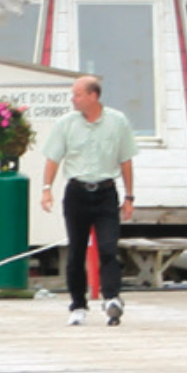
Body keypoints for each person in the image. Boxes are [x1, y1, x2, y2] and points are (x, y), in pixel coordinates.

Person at [40, 75, 138, 326]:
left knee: (108, 247)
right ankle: (78, 304)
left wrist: (129, 197)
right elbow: (53, 158)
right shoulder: (66, 123)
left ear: (93, 96)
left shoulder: (117, 122)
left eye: (78, 94)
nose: (73, 99)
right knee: (76, 250)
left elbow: (126, 159)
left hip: (106, 190)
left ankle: (112, 297)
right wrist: (46, 188)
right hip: (77, 192)